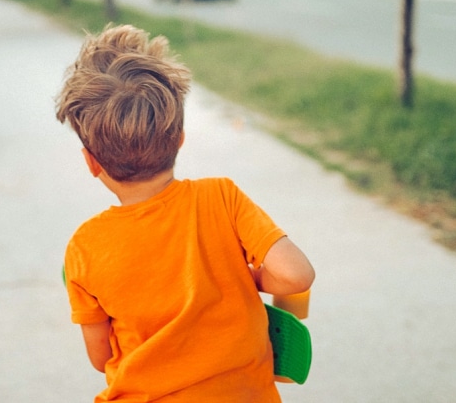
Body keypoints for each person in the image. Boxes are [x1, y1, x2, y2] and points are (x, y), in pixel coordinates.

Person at [55, 25, 314, 402]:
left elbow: (102, 358)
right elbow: (296, 276)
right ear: (179, 137)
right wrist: (241, 277)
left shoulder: (85, 247)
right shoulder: (220, 197)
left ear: (92, 162)